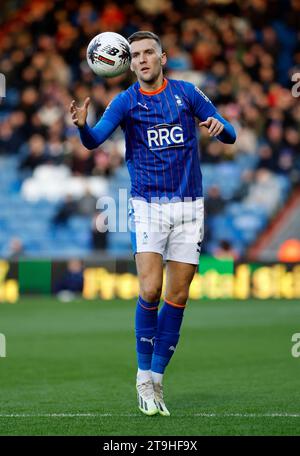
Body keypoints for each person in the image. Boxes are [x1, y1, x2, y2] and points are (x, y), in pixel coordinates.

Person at [70, 31, 236, 417]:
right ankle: (143, 376)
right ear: (128, 64)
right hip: (148, 205)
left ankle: (157, 381)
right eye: (135, 56)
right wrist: (81, 125)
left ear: (163, 57)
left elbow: (230, 132)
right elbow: (94, 141)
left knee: (177, 297)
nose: (142, 60)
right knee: (151, 287)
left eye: (149, 53)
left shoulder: (187, 93)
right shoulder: (125, 101)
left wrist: (218, 129)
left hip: (190, 206)